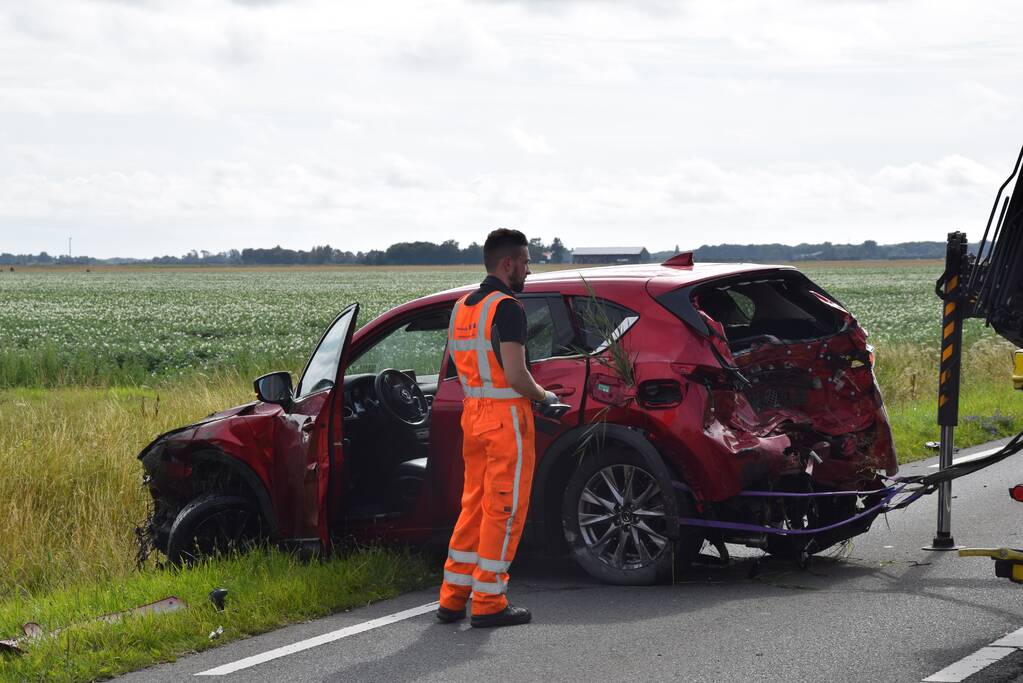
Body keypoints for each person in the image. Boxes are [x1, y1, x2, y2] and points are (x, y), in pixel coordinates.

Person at [436, 228, 559, 628]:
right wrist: (545, 397)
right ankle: (489, 601)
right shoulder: (507, 308)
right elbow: (517, 376)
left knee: (473, 505)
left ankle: (452, 597)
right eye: (525, 262)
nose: (529, 269)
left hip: (473, 416)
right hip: (506, 419)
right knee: (505, 509)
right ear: (508, 263)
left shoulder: (462, 307)